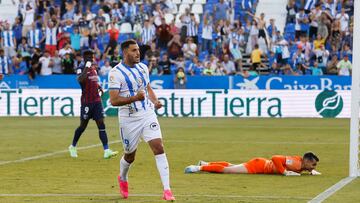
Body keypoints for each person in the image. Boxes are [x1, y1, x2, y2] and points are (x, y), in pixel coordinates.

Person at [108, 39, 175, 201]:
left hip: (147, 114)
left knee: (158, 147)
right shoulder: (115, 73)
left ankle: (167, 190)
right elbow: (114, 101)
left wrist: (155, 101)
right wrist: (135, 98)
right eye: (133, 50)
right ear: (125, 53)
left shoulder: (143, 68)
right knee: (130, 156)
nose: (138, 53)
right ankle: (123, 177)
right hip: (128, 119)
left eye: (138, 50)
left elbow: (148, 88)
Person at [68, 50, 118, 159]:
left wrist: (98, 86)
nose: (91, 58)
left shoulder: (93, 68)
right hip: (86, 102)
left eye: (92, 56)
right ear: (84, 57)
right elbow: (80, 80)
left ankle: (106, 150)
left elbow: (93, 81)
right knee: (83, 126)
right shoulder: (81, 68)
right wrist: (87, 66)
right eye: (89, 57)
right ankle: (73, 146)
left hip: (96, 101)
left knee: (101, 124)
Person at [185, 152, 321, 176]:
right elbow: (275, 158)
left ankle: (206, 163)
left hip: (259, 163)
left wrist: (311, 172)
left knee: (231, 165)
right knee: (228, 170)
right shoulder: (296, 163)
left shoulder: (301, 164)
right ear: (307, 161)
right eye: (313, 165)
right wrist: (284, 172)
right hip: (258, 166)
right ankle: (198, 168)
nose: (314, 167)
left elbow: (301, 169)